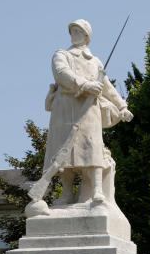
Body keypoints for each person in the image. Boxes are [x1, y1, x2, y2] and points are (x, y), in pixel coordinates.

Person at [44, 19, 133, 206]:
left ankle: (97, 191)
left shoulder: (95, 62)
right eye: (72, 31)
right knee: (63, 151)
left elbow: (107, 86)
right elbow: (61, 74)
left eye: (78, 31)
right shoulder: (61, 54)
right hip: (65, 107)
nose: (74, 35)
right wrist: (85, 84)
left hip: (89, 108)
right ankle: (66, 193)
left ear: (87, 36)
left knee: (92, 146)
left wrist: (122, 106)